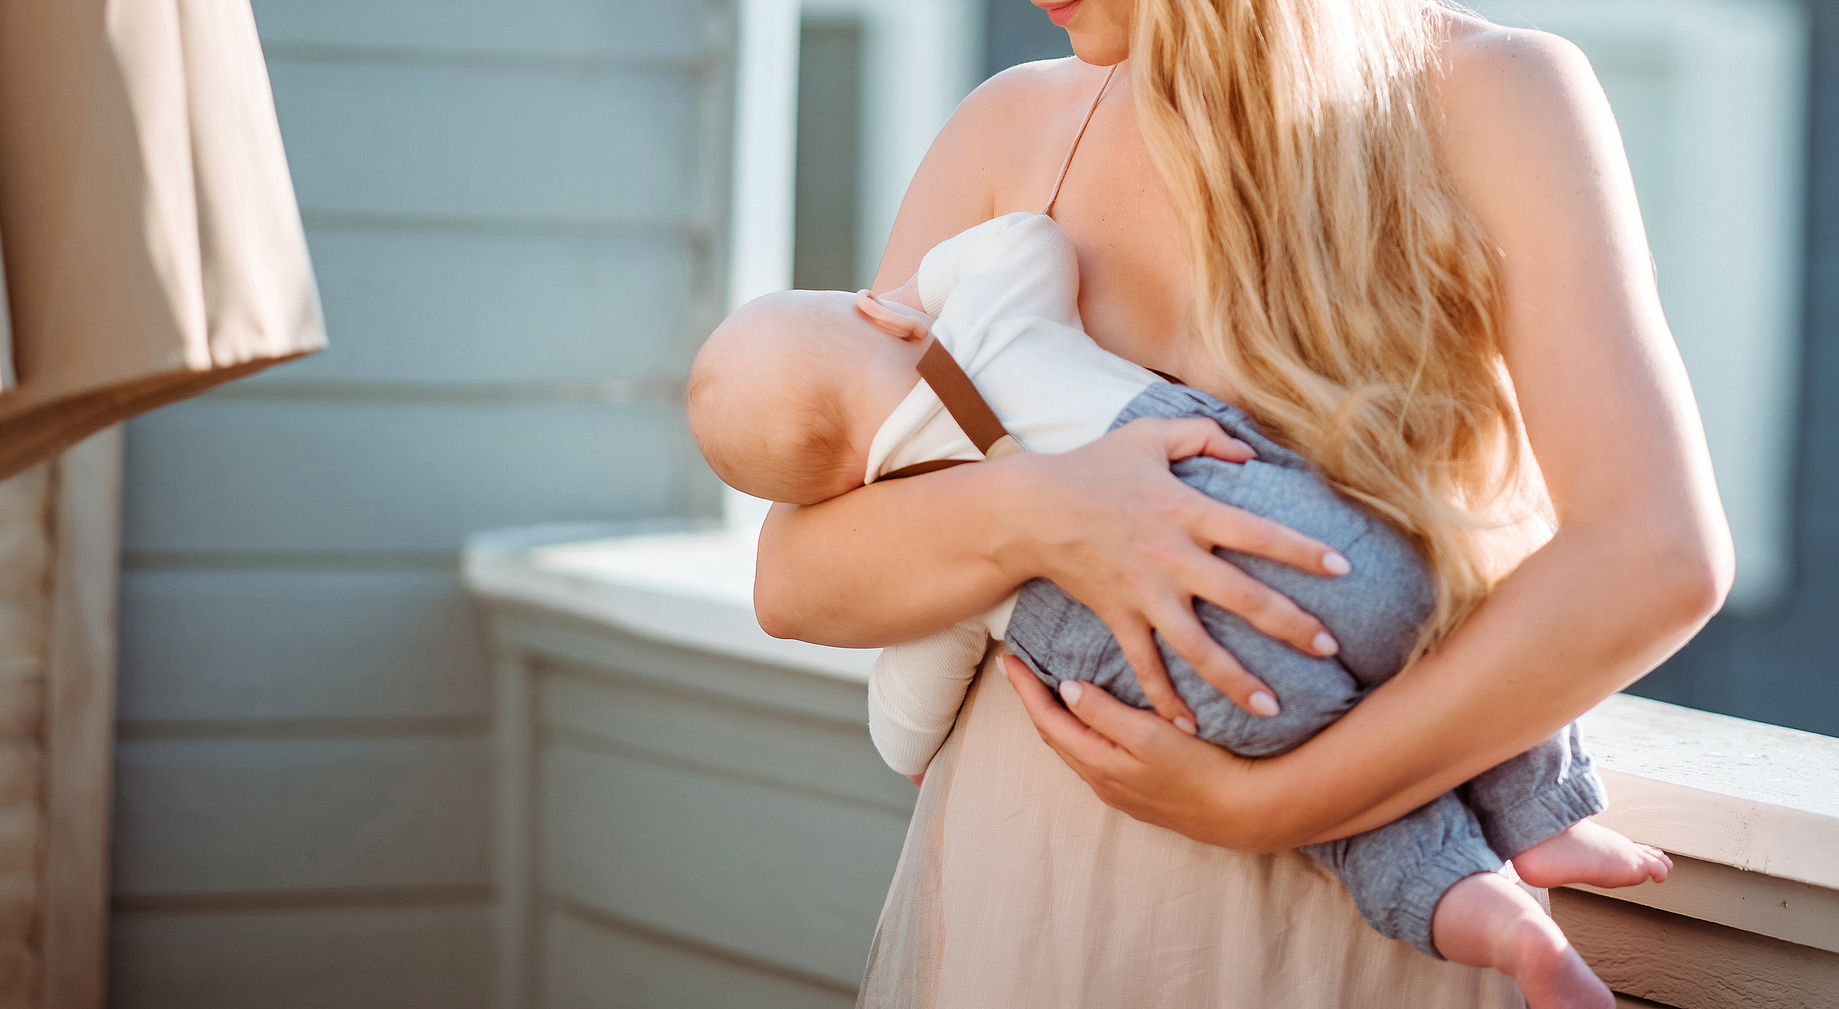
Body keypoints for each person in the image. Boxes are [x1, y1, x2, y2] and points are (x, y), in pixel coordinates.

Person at [746, 0, 1734, 1007]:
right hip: (1027, 899)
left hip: (1352, 924)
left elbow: (1653, 553)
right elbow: (798, 573)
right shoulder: (1007, 136)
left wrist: (1280, 806)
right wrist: (1046, 513)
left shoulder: (1498, 104)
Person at [689, 210, 1669, 1003]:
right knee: (1452, 620)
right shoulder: (992, 329)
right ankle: (1546, 811)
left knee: (1370, 834)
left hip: (1208, 684)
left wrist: (908, 735)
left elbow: (906, 718)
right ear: (882, 319)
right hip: (1302, 544)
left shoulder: (935, 560)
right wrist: (919, 297)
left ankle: (1509, 931)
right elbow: (1023, 242)